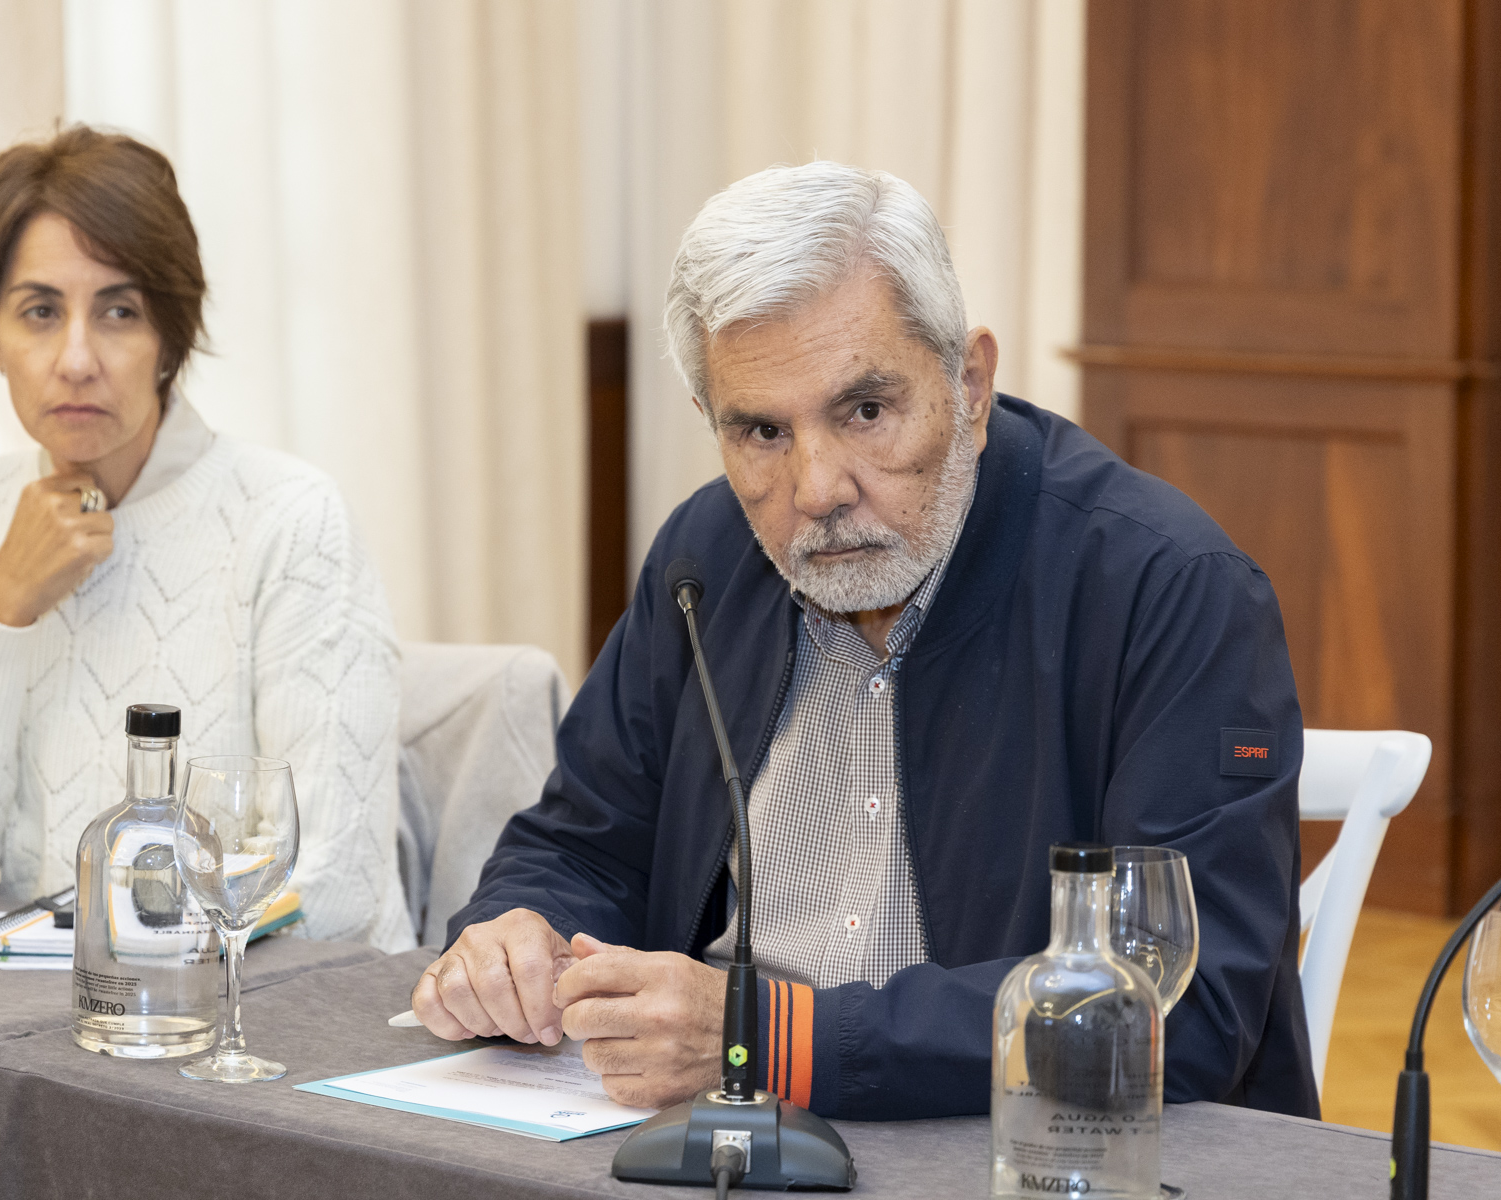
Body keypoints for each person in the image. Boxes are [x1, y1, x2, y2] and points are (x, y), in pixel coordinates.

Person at [413, 161, 1316, 1119]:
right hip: (712, 1133)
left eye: (866, 412)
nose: (817, 489)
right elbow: (586, 844)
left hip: (1031, 1145)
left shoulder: (1168, 587)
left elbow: (1178, 1005)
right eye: (762, 433)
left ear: (969, 384)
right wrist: (518, 931)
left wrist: (769, 1039)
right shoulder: (704, 557)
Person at [0, 126, 412, 949]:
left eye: (119, 311)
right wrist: (3, 606)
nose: (76, 358)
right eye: (40, 312)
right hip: (32, 1001)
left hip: (269, 1000)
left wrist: (115, 964)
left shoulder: (291, 520)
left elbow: (335, 885)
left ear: (170, 335)